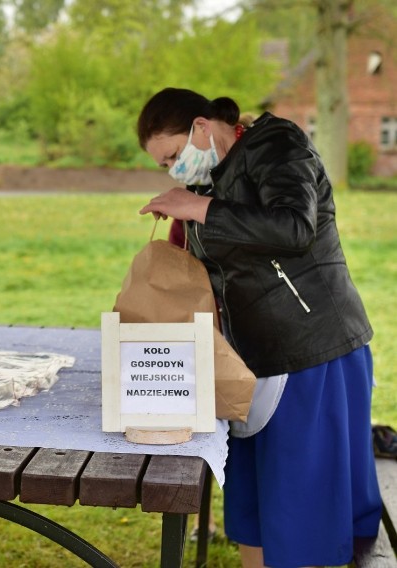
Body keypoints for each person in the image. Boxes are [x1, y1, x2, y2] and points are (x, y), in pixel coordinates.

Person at [136, 87, 380, 567]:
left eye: (171, 157)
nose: (171, 171)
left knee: (300, 506)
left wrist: (197, 208)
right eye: (163, 167)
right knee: (255, 502)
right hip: (251, 359)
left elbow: (293, 227)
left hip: (312, 352)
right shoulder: (213, 176)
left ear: (201, 128)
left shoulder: (278, 146)